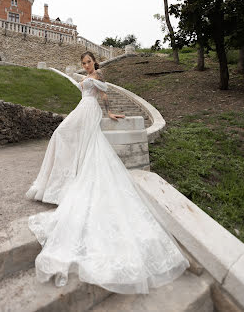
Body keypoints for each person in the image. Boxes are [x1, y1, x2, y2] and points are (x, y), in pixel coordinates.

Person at [25, 51, 189, 295]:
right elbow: (95, 92)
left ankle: (66, 185)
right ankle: (57, 184)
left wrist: (108, 109)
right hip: (82, 108)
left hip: (90, 111)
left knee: (67, 137)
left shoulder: (97, 74)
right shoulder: (87, 76)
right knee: (61, 135)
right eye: (83, 63)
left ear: (94, 62)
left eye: (88, 62)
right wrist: (93, 89)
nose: (86, 65)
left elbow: (104, 92)